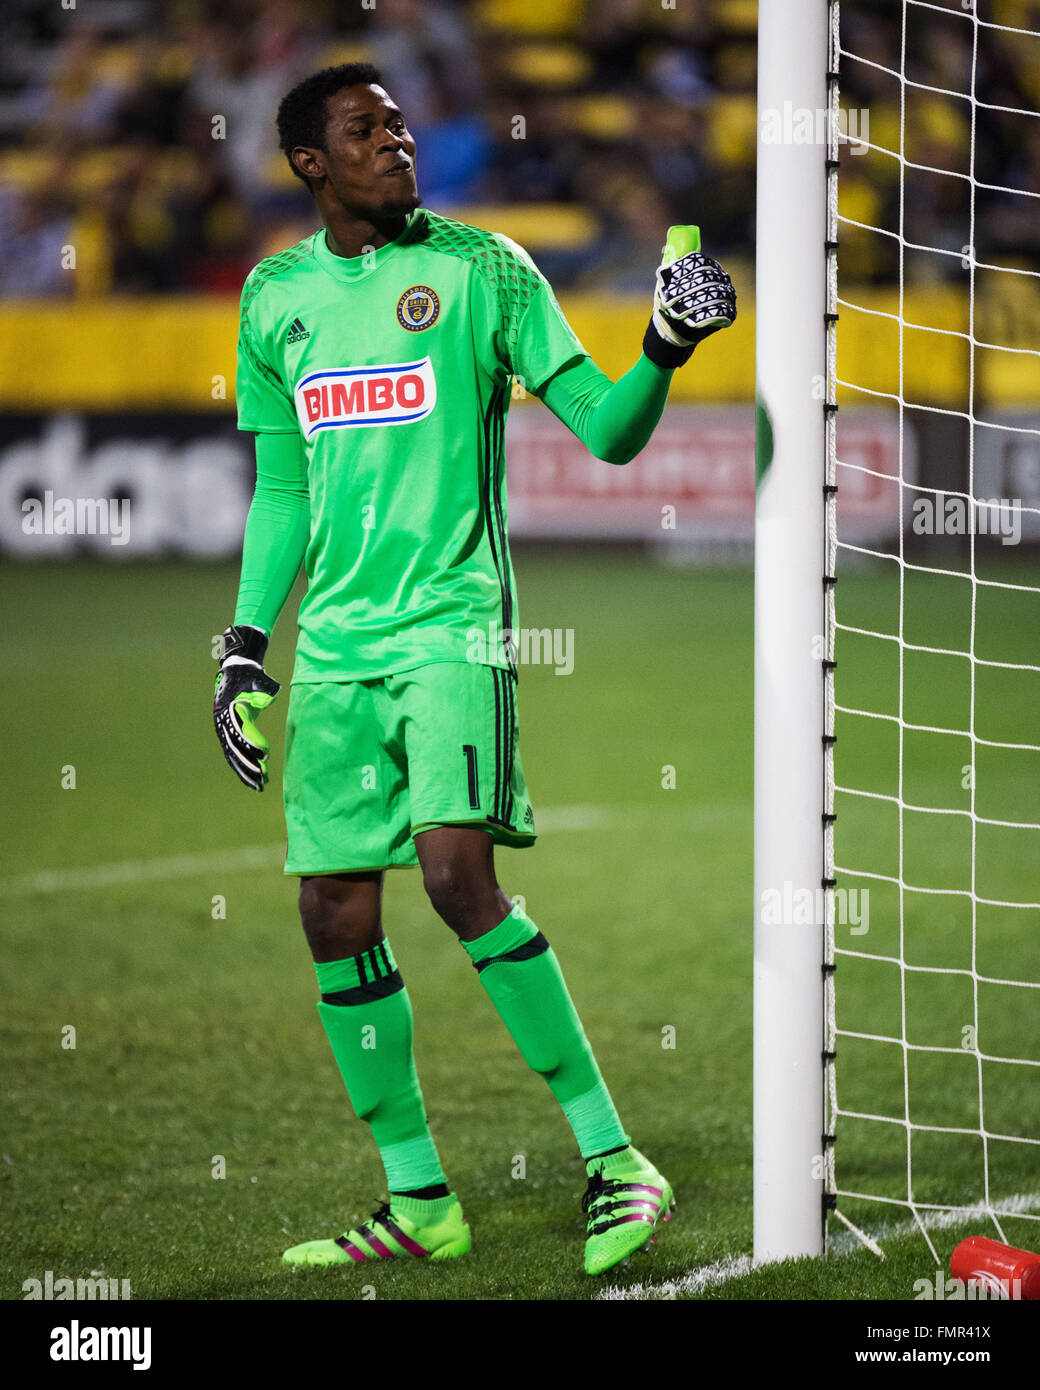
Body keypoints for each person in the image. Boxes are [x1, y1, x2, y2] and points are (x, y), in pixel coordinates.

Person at [213, 62, 736, 1278]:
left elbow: (606, 432)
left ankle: (616, 1161)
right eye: (365, 131)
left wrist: (661, 345)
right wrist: (245, 640)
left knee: (456, 873)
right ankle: (417, 1200)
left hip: (453, 624)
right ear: (308, 163)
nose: (396, 143)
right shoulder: (273, 296)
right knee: (330, 909)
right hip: (337, 646)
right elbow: (283, 491)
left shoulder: (482, 268)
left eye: (399, 125)